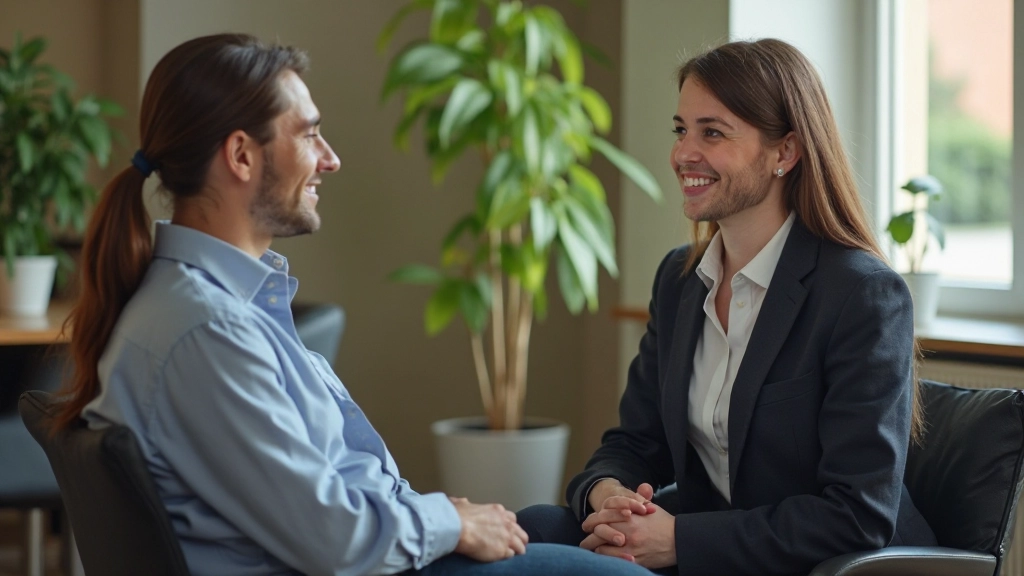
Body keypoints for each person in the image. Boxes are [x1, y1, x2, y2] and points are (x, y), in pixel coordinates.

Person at [53, 34, 655, 576]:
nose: (330, 158)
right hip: (354, 564)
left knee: (561, 527)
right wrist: (449, 521)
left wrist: (440, 515)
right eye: (309, 133)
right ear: (240, 155)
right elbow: (332, 540)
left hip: (371, 543)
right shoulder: (207, 332)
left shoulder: (212, 307)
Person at [517, 38, 938, 575]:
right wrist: (608, 493)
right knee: (536, 527)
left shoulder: (861, 294)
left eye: (712, 132)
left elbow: (859, 515)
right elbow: (635, 441)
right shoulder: (680, 279)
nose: (683, 153)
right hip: (716, 548)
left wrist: (680, 541)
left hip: (819, 564)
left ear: (785, 152)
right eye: (681, 130)